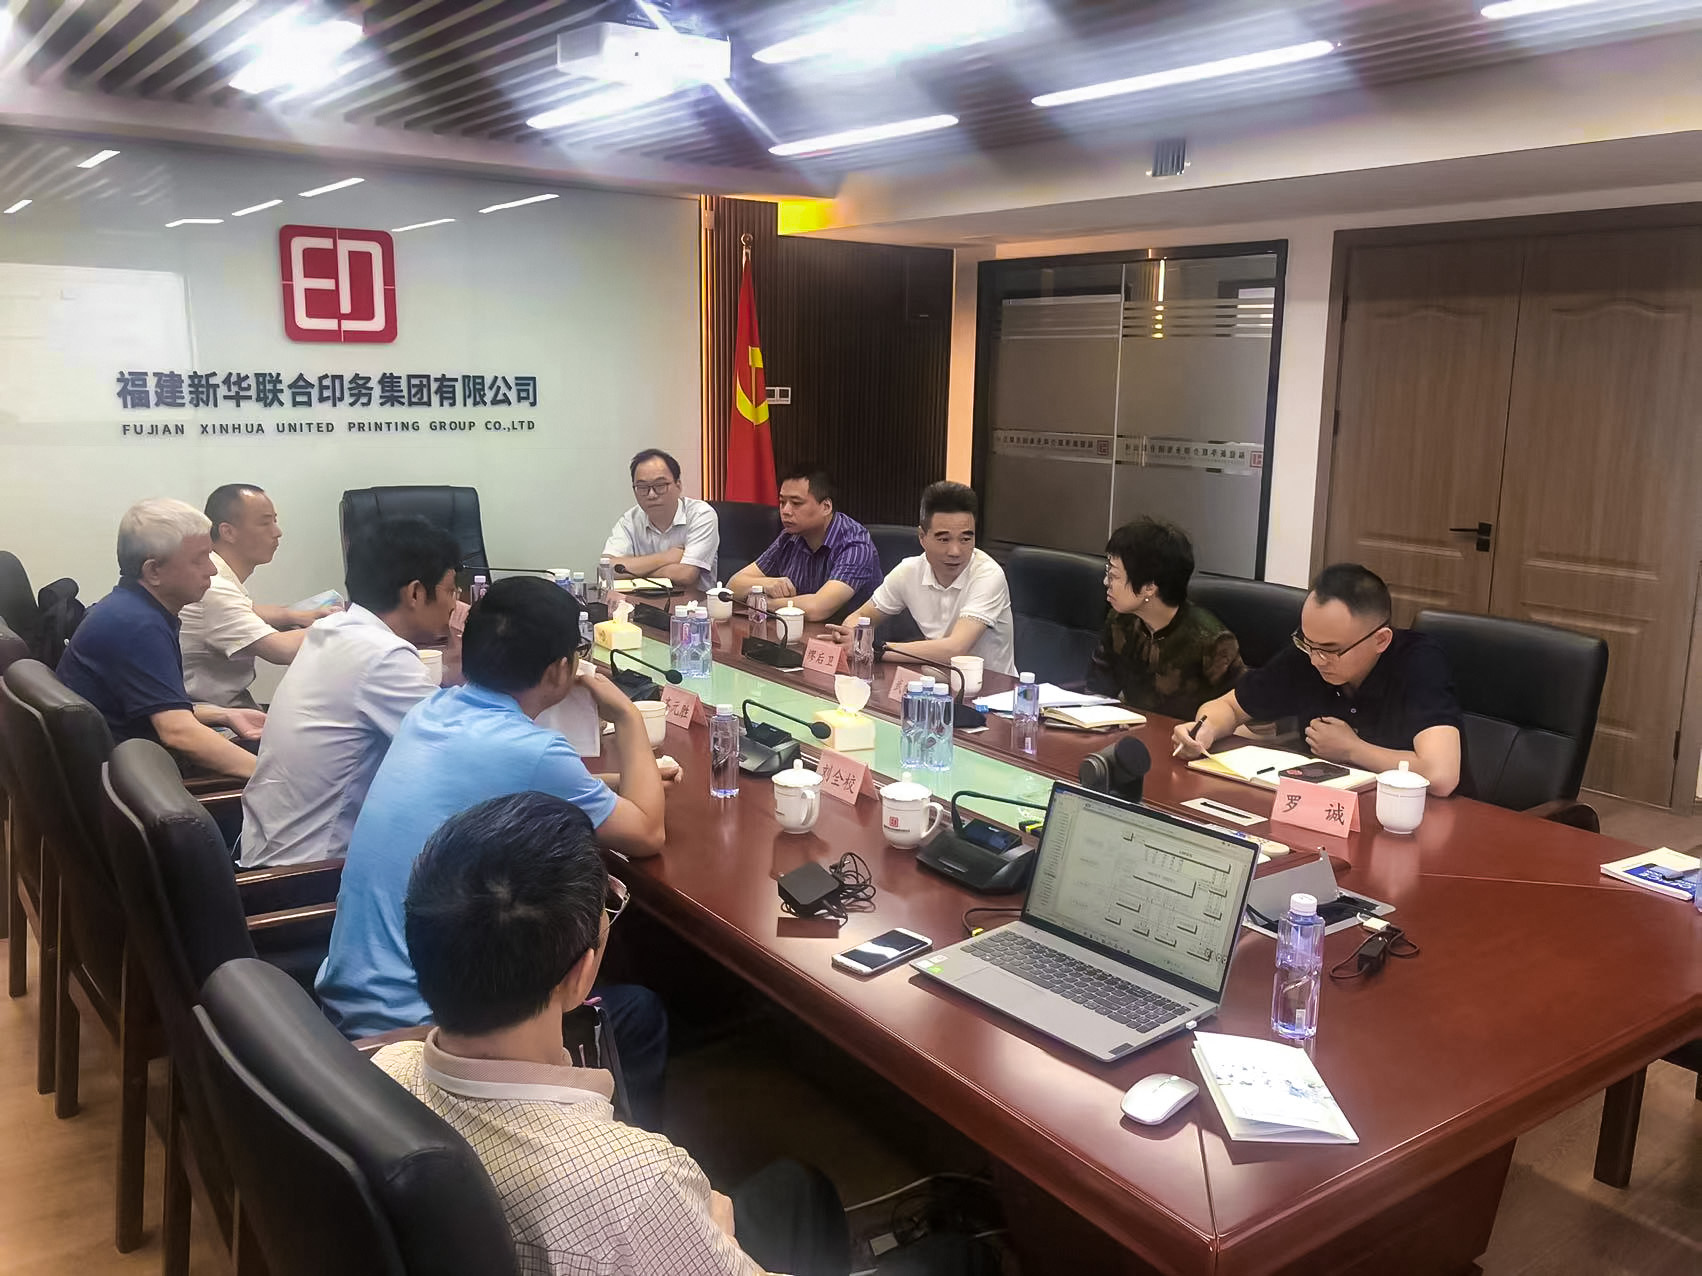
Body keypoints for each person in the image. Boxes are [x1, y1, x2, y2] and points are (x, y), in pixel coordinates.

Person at [372, 792, 853, 1276]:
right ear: (580, 976)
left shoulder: (384, 1074)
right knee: (803, 1196)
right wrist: (718, 1237)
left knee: (795, 1190)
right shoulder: (638, 1184)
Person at [315, 576, 672, 1120]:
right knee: (640, 1011)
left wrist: (610, 785)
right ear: (560, 669)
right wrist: (626, 714)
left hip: (351, 997)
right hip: (419, 1024)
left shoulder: (433, 710)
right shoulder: (533, 751)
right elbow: (647, 833)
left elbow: (520, 775)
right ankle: (612, 1148)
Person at [237, 516, 462, 868]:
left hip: (268, 850)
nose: (454, 605)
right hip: (312, 874)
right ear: (416, 593)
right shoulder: (382, 655)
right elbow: (458, 752)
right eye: (450, 591)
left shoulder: (335, 629)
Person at [1172, 563, 1463, 796]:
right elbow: (1230, 707)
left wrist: (1353, 749)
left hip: (1415, 817)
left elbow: (1441, 775)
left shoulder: (1419, 662)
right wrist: (1204, 730)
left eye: (1332, 650)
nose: (1316, 660)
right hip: (1323, 807)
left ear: (1381, 640)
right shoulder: (1308, 654)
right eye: (1307, 643)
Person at [58, 498, 263, 779]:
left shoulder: (130, 608)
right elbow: (179, 733)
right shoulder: (137, 627)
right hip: (137, 786)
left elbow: (158, 704)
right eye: (199, 559)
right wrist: (276, 780)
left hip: (133, 767)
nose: (212, 569)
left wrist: (225, 714)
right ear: (153, 571)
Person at [825, 481, 1015, 675]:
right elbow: (859, 617)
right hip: (935, 682)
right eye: (944, 539)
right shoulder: (909, 571)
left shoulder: (988, 574)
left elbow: (956, 648)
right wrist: (852, 637)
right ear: (922, 537)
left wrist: (876, 649)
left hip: (993, 688)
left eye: (965, 539)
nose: (955, 551)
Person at [179, 484, 337, 707]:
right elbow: (282, 650)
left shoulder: (218, 578)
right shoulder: (214, 588)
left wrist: (292, 615)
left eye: (275, 521)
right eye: (265, 523)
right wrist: (349, 625)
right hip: (209, 714)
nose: (277, 532)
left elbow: (247, 609)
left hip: (226, 705)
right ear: (228, 532)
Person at [1086, 517, 1244, 720]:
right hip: (1132, 733)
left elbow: (1248, 717)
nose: (1106, 582)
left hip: (1186, 737)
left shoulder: (1211, 640)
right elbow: (1096, 693)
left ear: (1149, 587)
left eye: (1114, 575)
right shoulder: (1120, 621)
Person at [727, 467, 879, 622]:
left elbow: (818, 608)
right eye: (782, 502)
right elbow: (733, 586)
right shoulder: (789, 537)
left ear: (826, 507)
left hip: (847, 635)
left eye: (796, 503)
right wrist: (767, 584)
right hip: (797, 631)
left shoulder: (855, 543)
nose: (785, 511)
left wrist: (762, 603)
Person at [603, 448, 721, 591]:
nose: (651, 494)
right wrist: (666, 558)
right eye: (642, 487)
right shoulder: (630, 520)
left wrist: (633, 572)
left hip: (692, 603)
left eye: (660, 486)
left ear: (678, 485)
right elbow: (606, 569)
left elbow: (686, 575)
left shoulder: (700, 515)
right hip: (639, 602)